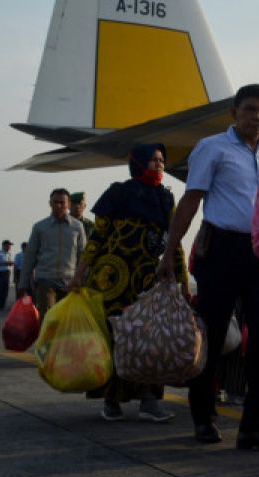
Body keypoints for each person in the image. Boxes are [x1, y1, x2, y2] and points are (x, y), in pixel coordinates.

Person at [158, 83, 259, 452]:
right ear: (234, 112)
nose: (258, 117)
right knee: (212, 336)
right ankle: (203, 418)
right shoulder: (212, 147)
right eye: (250, 110)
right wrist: (170, 251)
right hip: (220, 248)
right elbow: (191, 199)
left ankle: (256, 429)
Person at [69, 144, 187, 423]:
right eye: (153, 160)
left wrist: (183, 280)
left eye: (161, 160)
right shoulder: (118, 192)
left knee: (150, 338)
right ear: (138, 163)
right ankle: (111, 400)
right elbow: (98, 237)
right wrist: (80, 272)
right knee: (115, 338)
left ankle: (149, 400)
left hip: (148, 278)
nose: (159, 164)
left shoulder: (166, 198)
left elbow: (174, 240)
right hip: (112, 277)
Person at [22, 188, 87, 321]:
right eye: (55, 202)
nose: (58, 205)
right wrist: (23, 284)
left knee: (66, 321)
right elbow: (30, 256)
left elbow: (84, 256)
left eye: (62, 202)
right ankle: (45, 342)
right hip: (46, 280)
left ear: (68, 204)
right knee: (48, 318)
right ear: (49, 203)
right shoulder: (40, 227)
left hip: (69, 282)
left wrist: (83, 280)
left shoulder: (77, 227)